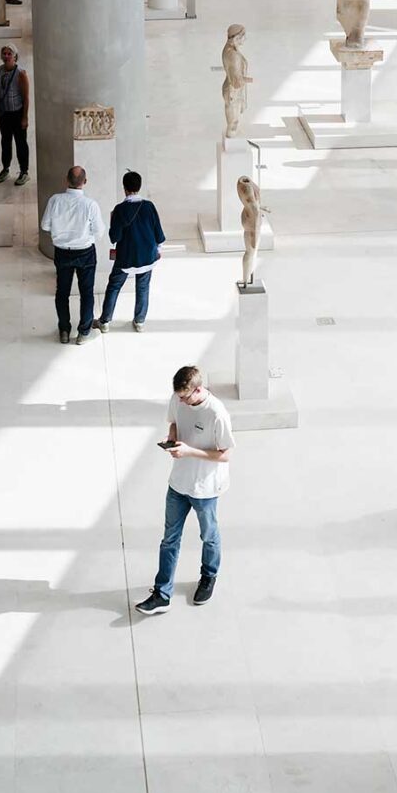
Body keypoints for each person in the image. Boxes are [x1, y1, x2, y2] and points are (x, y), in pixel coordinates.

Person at [135, 364, 235, 614]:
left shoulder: (217, 414)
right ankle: (162, 594)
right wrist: (172, 439)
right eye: (179, 397)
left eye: (185, 397)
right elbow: (173, 423)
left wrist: (189, 451)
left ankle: (208, 576)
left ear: (198, 389)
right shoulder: (178, 398)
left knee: (209, 536)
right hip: (178, 483)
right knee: (169, 539)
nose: (181, 401)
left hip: (205, 488)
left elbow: (226, 455)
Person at [40, 166, 105, 344]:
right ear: (85, 182)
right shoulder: (90, 205)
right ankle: (84, 332)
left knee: (62, 292)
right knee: (87, 293)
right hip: (85, 252)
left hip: (62, 252)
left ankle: (64, 330)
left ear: (66, 180)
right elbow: (99, 232)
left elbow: (45, 226)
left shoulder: (55, 200)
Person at [95, 171, 166, 332]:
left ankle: (105, 321)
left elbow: (115, 237)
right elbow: (159, 233)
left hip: (126, 257)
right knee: (143, 287)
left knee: (114, 286)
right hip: (147, 256)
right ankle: (139, 321)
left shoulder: (119, 210)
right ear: (139, 187)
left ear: (124, 188)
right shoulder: (149, 206)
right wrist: (158, 250)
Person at [0, 43, 30, 186]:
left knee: (21, 143)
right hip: (3, 113)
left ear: (15, 56)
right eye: (4, 54)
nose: (6, 56)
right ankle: (5, 168)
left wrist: (25, 117)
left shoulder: (21, 74)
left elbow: (26, 97)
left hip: (17, 113)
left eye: (9, 54)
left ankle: (24, 171)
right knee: (5, 141)